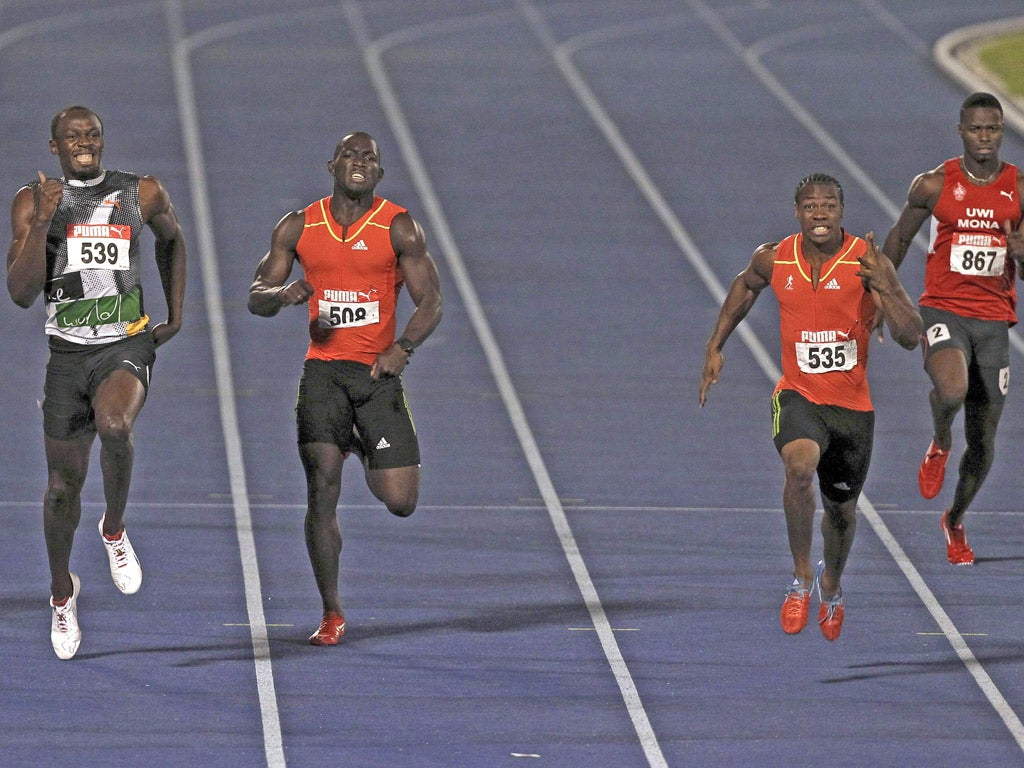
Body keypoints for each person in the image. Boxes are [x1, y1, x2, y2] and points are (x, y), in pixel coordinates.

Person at [700, 174, 921, 641]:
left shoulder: (866, 258)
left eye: (828, 205)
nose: (819, 212)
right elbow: (745, 286)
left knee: (840, 514)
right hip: (798, 396)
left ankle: (831, 584)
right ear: (797, 211)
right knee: (799, 467)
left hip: (852, 410)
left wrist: (882, 286)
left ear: (841, 211)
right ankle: (801, 578)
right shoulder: (775, 257)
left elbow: (908, 335)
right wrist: (715, 344)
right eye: (809, 205)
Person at [248, 131, 442, 646]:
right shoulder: (299, 225)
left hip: (376, 377)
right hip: (324, 375)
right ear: (331, 164)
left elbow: (432, 302)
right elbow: (255, 296)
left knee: (401, 500)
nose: (359, 163)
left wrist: (402, 348)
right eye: (350, 155)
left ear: (379, 172)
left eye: (369, 158)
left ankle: (361, 443)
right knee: (321, 491)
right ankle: (331, 612)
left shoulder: (399, 227)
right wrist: (283, 295)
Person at [7, 105, 187, 659]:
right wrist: (42, 222)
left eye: (92, 135)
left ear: (102, 141)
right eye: (72, 137)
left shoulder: (142, 192)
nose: (84, 143)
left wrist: (175, 314)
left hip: (124, 345)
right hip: (66, 356)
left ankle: (113, 528)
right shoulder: (31, 201)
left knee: (114, 424)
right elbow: (20, 293)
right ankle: (63, 593)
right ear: (54, 146)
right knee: (61, 490)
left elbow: (172, 241)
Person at [883, 92, 1024, 566]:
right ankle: (940, 440)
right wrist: (876, 297)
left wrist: (1021, 255)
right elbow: (899, 240)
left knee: (984, 443)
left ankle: (955, 521)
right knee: (951, 389)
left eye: (992, 129)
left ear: (1001, 132)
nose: (984, 137)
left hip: (993, 323)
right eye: (975, 128)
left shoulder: (1019, 189)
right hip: (943, 310)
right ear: (961, 130)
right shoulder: (934, 184)